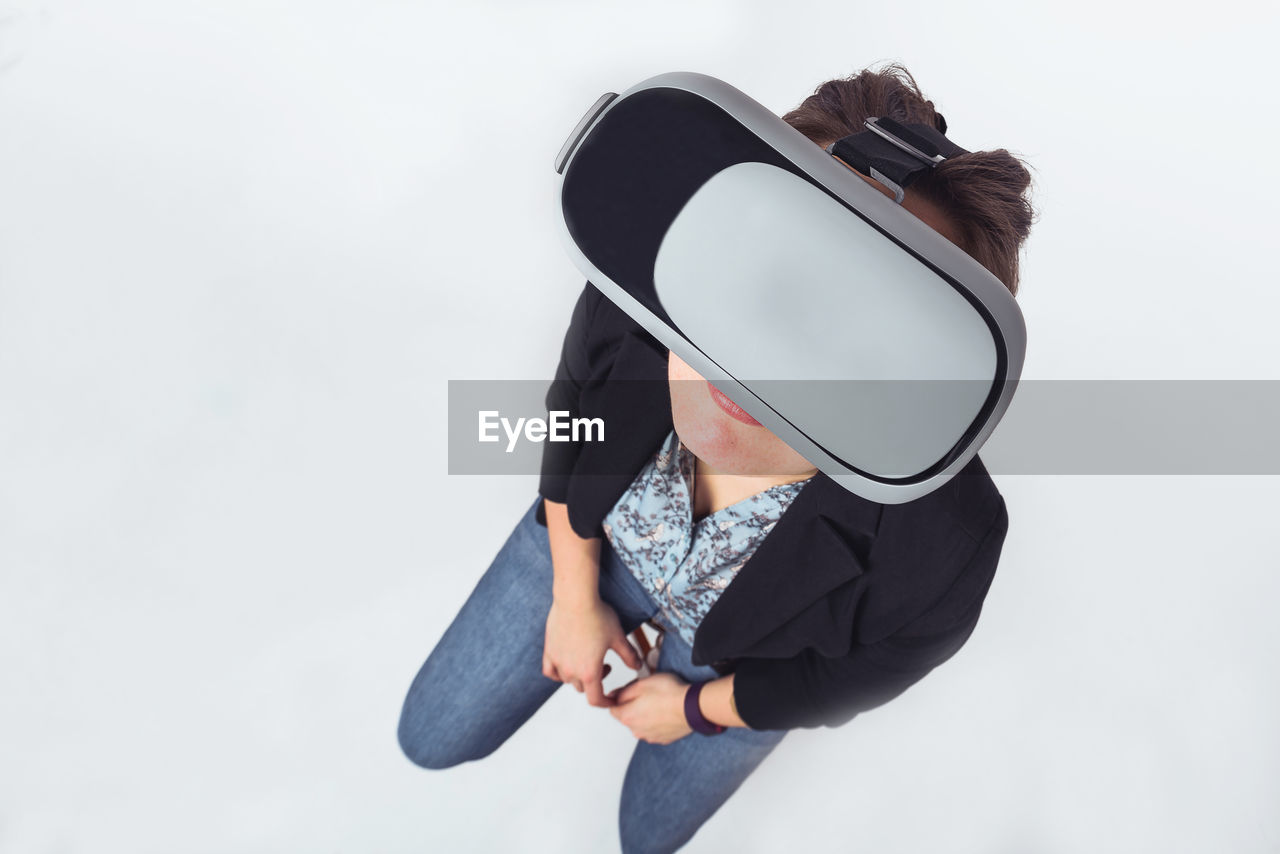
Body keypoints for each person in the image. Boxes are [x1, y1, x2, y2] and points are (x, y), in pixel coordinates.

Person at [397, 62, 1036, 853]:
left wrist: (700, 710)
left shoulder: (948, 539)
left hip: (754, 662)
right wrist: (572, 591)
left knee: (647, 839)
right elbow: (574, 418)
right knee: (429, 736)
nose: (759, 365)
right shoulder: (642, 297)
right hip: (591, 548)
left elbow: (872, 668)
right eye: (771, 283)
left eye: (859, 331)